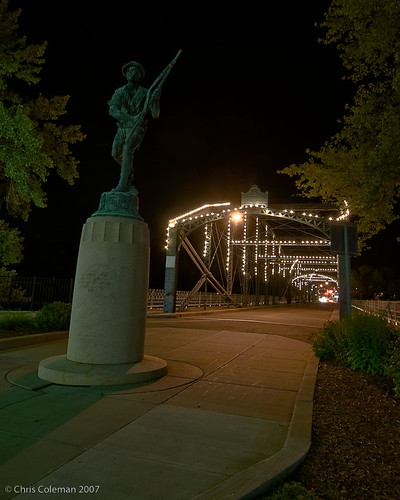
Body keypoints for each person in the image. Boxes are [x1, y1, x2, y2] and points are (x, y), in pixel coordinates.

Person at [108, 61, 161, 192]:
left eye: (135, 71)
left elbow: (155, 114)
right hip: (123, 127)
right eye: (129, 71)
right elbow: (113, 110)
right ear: (126, 75)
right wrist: (130, 118)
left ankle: (122, 183)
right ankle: (129, 170)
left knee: (127, 149)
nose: (131, 73)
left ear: (140, 76)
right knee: (115, 153)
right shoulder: (119, 92)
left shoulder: (145, 93)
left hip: (137, 127)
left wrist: (156, 99)